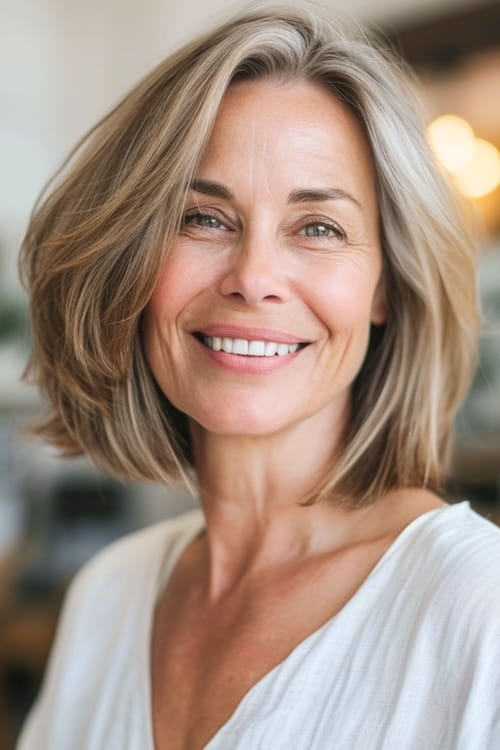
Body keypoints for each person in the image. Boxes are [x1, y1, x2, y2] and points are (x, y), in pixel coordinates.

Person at [16, 4, 500, 749]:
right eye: (204, 218)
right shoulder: (108, 597)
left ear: (386, 288)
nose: (254, 278)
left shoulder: (479, 608)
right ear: (130, 262)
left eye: (318, 228)